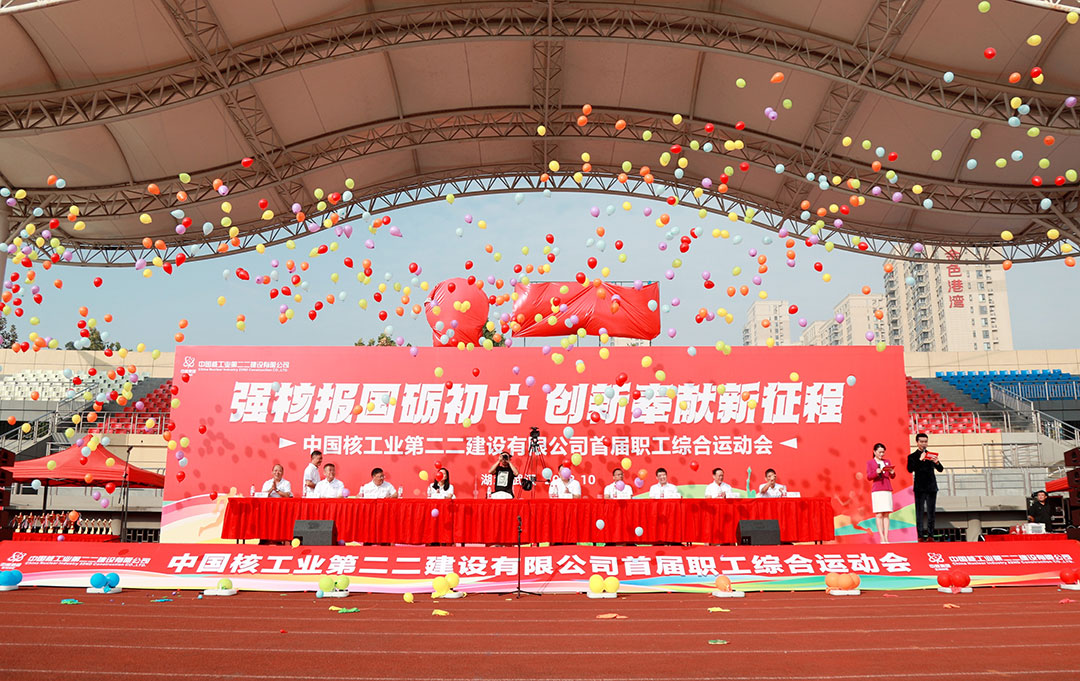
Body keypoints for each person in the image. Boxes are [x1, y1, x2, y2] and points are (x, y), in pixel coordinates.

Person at [907, 432, 944, 541]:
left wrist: (937, 462)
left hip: (931, 487)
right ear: (917, 442)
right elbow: (910, 469)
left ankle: (930, 535)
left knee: (931, 512)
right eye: (921, 442)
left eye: (925, 442)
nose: (924, 444)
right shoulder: (912, 456)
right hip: (919, 488)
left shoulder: (931, 455)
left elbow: (940, 469)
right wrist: (920, 459)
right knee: (919, 512)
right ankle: (920, 535)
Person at [866, 443, 896, 544]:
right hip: (877, 490)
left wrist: (892, 472)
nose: (881, 454)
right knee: (879, 514)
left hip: (887, 489)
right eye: (879, 452)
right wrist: (876, 472)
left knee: (886, 514)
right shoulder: (870, 463)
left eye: (883, 452)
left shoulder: (887, 462)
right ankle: (881, 537)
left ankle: (886, 537)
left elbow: (892, 476)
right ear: (874, 452)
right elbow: (869, 476)